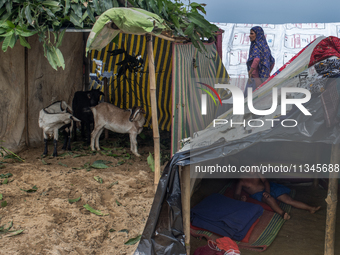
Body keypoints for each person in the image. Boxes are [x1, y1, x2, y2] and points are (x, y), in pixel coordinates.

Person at [234, 172, 321, 220]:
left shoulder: (256, 172)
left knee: (288, 200)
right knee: (269, 199)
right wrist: (241, 199)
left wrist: (268, 191)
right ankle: (282, 213)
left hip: (269, 188)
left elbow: (265, 181)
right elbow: (236, 194)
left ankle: (311, 208)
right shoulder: (241, 182)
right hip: (259, 194)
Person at [244, 26, 275, 97]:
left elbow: (257, 59)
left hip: (254, 77)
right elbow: (272, 61)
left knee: (248, 99)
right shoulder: (264, 46)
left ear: (257, 35)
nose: (249, 36)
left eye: (252, 34)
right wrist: (267, 71)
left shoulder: (255, 46)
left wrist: (251, 71)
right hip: (264, 78)